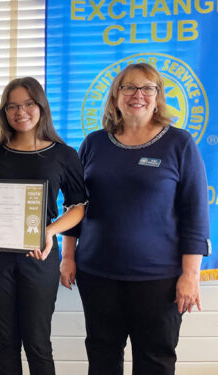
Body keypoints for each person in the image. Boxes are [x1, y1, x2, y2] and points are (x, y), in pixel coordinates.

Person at [61, 63, 210, 375]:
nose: (137, 95)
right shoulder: (94, 143)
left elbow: (195, 214)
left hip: (158, 280)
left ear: (158, 97)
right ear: (116, 96)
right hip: (98, 274)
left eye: (147, 88)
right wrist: (68, 255)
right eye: (128, 87)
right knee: (102, 358)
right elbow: (76, 205)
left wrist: (191, 275)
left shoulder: (179, 144)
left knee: (154, 362)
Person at [0, 77, 86, 375]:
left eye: (28, 104)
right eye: (13, 106)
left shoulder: (63, 154)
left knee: (37, 341)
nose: (21, 112)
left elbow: (79, 206)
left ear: (41, 106)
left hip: (40, 256)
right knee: (5, 341)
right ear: (4, 112)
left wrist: (50, 230)